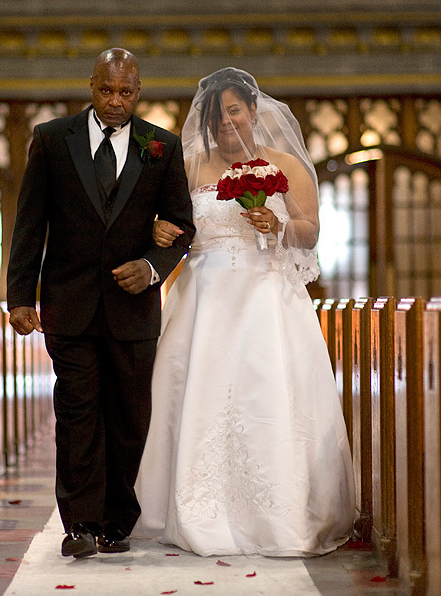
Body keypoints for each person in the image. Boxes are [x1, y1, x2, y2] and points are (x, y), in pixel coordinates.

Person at [133, 68, 355, 557]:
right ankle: (193, 506)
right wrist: (159, 233)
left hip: (266, 296)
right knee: (197, 394)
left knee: (266, 392)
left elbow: (310, 230)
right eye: (217, 116)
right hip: (204, 298)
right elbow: (166, 224)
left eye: (234, 111)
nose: (226, 122)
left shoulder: (285, 165)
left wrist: (278, 224)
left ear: (254, 110)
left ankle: (278, 510)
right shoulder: (189, 165)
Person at [6, 48, 195, 558]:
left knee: (129, 418)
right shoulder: (50, 140)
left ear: (139, 92)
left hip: (133, 311)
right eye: (107, 90)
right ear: (91, 86)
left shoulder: (162, 146)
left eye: (126, 92)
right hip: (69, 304)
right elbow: (30, 223)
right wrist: (21, 296)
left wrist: (153, 266)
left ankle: (117, 519)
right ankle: (80, 524)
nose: (116, 102)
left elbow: (182, 227)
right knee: (77, 414)